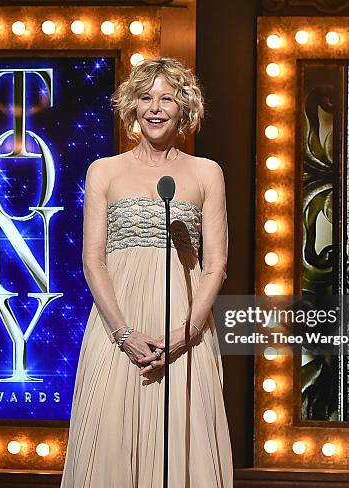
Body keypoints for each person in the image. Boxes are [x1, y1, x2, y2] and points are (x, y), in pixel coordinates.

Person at [61, 57, 233, 488]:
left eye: (167, 98)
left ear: (184, 108)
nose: (155, 108)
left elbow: (216, 266)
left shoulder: (206, 172)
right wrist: (124, 333)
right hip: (116, 328)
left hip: (185, 330)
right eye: (145, 97)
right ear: (132, 106)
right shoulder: (104, 170)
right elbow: (92, 260)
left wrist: (186, 332)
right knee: (111, 440)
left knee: (182, 442)